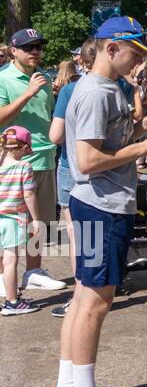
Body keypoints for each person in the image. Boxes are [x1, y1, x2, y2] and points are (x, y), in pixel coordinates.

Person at [51, 16, 147, 387]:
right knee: (95, 301)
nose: (139, 62)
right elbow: (86, 160)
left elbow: (111, 139)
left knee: (82, 296)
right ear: (110, 48)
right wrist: (145, 148)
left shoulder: (107, 88)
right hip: (100, 207)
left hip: (91, 204)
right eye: (134, 53)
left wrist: (146, 126)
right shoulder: (94, 93)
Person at [0, 28, 64, 293]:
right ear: (13, 51)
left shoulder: (45, 78)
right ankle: (4, 275)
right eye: (29, 47)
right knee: (9, 221)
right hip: (12, 162)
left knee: (40, 221)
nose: (36, 52)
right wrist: (27, 93)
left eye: (39, 47)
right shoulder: (3, 78)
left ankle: (34, 271)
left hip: (44, 157)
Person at [48, 39, 99, 318]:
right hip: (109, 170)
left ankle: (81, 296)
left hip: (73, 166)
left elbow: (56, 136)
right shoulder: (120, 87)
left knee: (78, 234)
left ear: (82, 60)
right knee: (98, 231)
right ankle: (100, 289)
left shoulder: (70, 90)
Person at [1, 126, 42, 315]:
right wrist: (36, 219)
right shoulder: (23, 167)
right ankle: (12, 302)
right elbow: (29, 195)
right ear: (23, 147)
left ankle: (10, 296)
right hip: (12, 219)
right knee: (10, 261)